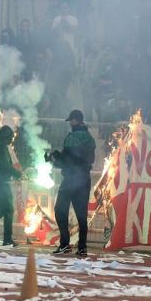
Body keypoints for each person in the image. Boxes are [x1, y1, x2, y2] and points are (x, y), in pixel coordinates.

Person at [48, 109, 96, 257]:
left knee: (60, 210)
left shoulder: (72, 138)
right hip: (84, 179)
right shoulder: (89, 138)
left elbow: (67, 161)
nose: (70, 123)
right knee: (81, 216)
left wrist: (54, 157)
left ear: (75, 121)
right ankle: (82, 248)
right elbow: (89, 160)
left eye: (70, 121)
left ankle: (65, 244)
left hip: (71, 180)